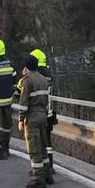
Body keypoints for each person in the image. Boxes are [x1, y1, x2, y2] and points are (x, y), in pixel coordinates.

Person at [18, 53, 52, 188]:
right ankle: (47, 173)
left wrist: (21, 119)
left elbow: (24, 102)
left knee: (34, 147)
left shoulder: (27, 81)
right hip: (43, 115)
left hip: (32, 117)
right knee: (43, 145)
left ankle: (38, 177)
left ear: (26, 68)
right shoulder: (43, 79)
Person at [31, 48, 56, 180]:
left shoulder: (36, 75)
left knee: (38, 141)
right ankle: (50, 166)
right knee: (48, 141)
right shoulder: (49, 73)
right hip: (50, 111)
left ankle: (41, 168)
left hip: (38, 112)